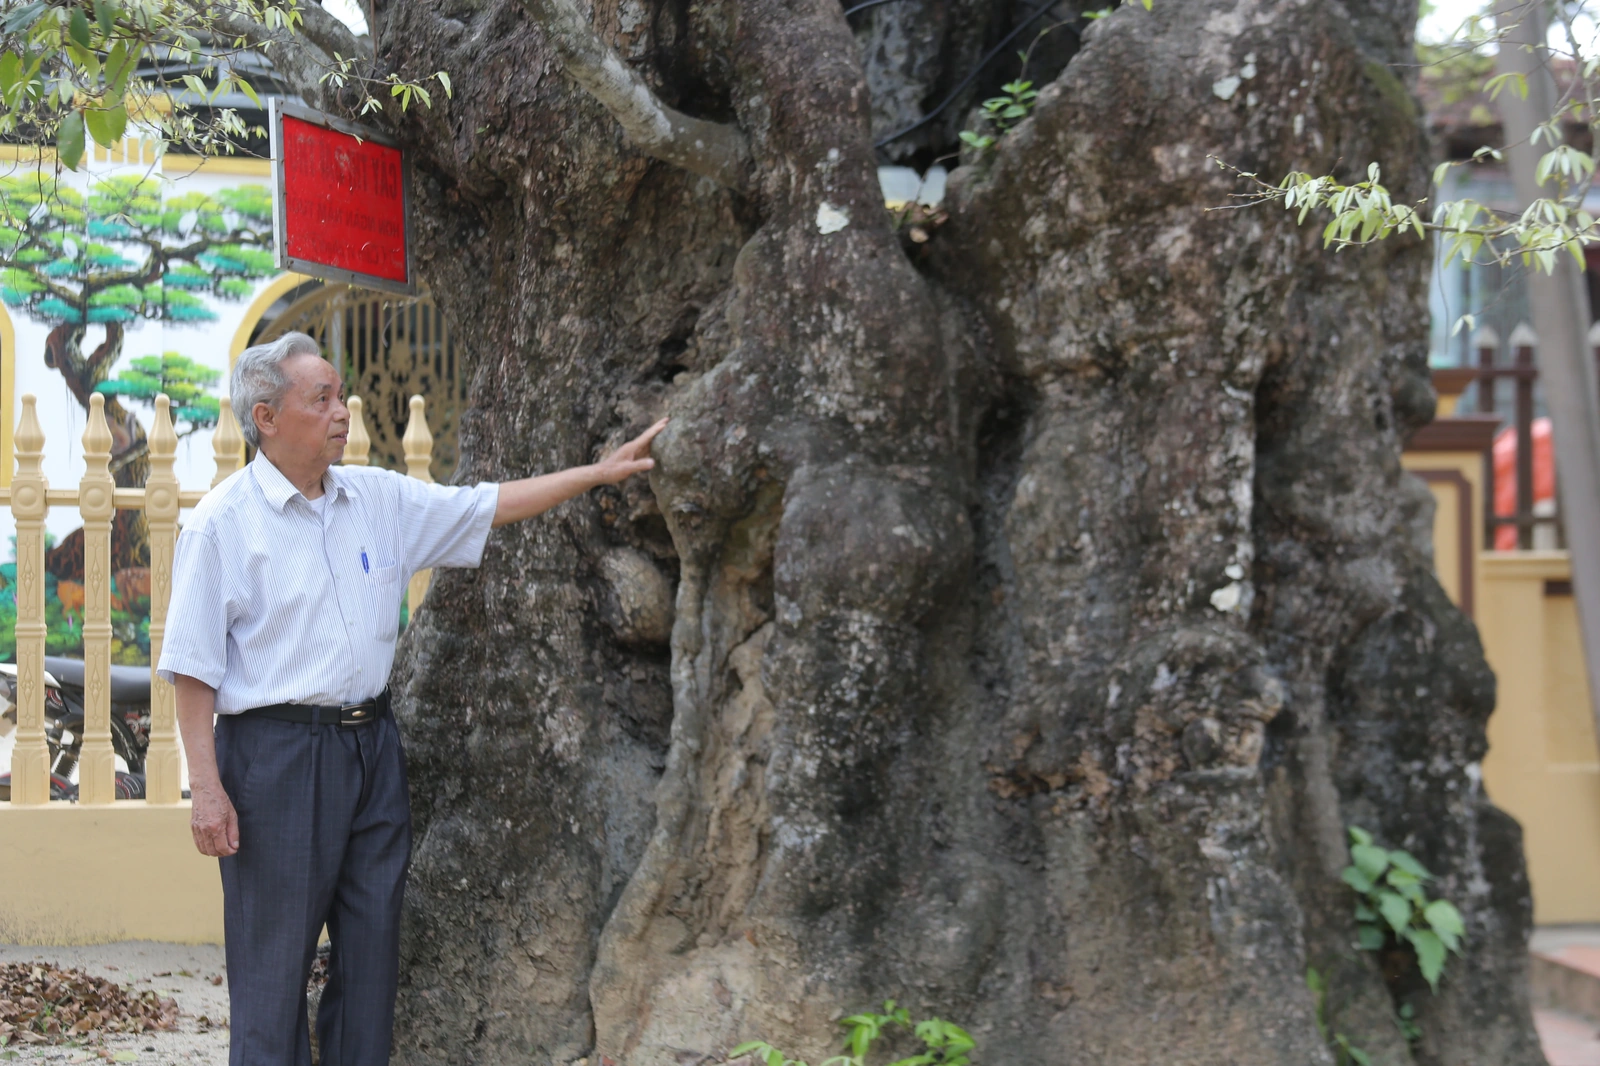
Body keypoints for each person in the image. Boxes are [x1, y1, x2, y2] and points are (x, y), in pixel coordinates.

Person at [158, 331, 665, 1066]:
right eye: (321, 398)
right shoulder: (222, 524)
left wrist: (597, 472)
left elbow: (486, 505)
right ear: (265, 417)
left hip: (373, 749)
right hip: (274, 759)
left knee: (371, 964)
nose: (342, 412)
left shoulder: (377, 497)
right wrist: (207, 789)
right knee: (272, 977)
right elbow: (194, 672)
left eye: (341, 394)